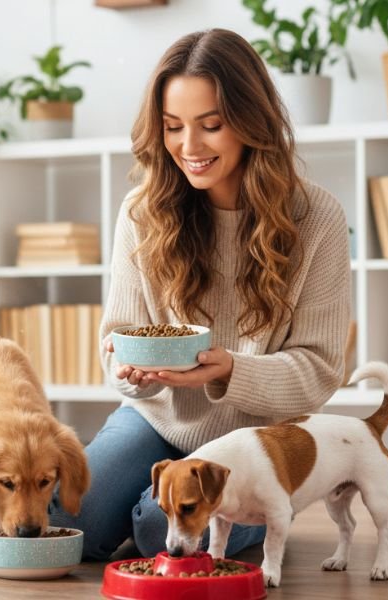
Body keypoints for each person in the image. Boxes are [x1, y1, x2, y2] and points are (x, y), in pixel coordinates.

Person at [48, 28, 351, 561]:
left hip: (253, 444)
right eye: (173, 127)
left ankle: (246, 511)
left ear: (251, 122)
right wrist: (128, 369)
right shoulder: (144, 212)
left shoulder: (317, 218)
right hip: (158, 418)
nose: (189, 148)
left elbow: (320, 371)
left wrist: (228, 369)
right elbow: (117, 336)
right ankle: (157, 503)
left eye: (211, 125)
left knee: (154, 529)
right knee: (71, 520)